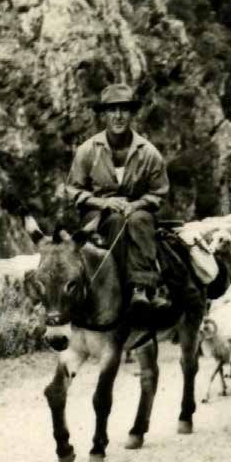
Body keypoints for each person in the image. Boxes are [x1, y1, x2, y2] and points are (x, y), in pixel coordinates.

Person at [66, 83, 169, 327]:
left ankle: (142, 289)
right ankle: (116, 286)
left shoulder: (148, 152)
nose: (118, 116)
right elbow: (73, 190)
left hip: (136, 212)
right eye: (112, 110)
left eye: (124, 110)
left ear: (132, 114)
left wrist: (137, 204)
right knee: (115, 221)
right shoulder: (88, 150)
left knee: (138, 219)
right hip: (98, 214)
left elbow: (159, 192)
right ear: (104, 115)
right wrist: (104, 202)